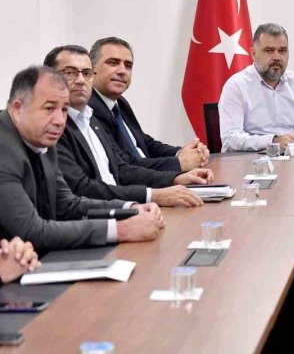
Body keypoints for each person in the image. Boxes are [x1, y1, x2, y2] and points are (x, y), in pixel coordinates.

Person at [0, 66, 164, 251]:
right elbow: (32, 232)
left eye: (64, 109)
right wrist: (121, 230)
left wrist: (130, 209)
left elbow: (67, 204)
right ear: (18, 109)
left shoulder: (42, 136)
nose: (59, 121)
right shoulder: (4, 150)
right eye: (49, 108)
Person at [45, 45, 206, 208]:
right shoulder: (52, 128)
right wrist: (151, 195)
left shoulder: (90, 118)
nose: (80, 80)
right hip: (101, 214)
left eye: (86, 73)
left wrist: (174, 179)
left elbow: (121, 168)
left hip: (122, 206)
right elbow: (81, 188)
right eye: (70, 73)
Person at [88, 36, 208, 171]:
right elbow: (124, 165)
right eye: (113, 63)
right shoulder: (89, 109)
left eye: (128, 65)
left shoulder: (120, 103)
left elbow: (144, 142)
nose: (122, 71)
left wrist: (182, 152)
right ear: (91, 69)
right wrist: (179, 163)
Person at [219, 23, 294, 152]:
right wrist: (273, 141)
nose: (277, 57)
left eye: (282, 51)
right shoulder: (236, 86)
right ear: (253, 53)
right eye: (269, 51)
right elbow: (230, 139)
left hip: (292, 159)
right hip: (251, 160)